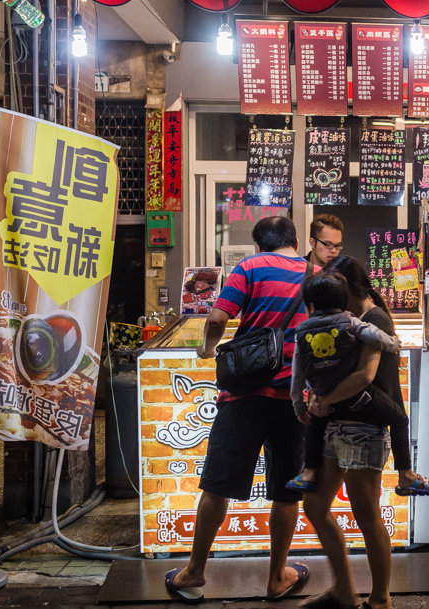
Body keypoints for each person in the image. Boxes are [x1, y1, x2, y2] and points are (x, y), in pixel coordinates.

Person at [165, 217, 312, 602]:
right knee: (286, 491)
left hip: (244, 393)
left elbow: (217, 317)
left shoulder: (248, 268)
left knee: (218, 485)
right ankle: (278, 577)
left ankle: (195, 571)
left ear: (258, 244)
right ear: (296, 240)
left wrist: (207, 348)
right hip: (294, 397)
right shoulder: (316, 273)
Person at [301, 256, 428, 609]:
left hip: (364, 428)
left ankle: (381, 598)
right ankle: (344, 589)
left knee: (366, 513)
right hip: (334, 423)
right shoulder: (345, 319)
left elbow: (364, 377)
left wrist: (320, 398)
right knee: (314, 505)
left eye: (336, 285)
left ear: (349, 285)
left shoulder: (374, 319)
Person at [286, 271, 429, 497]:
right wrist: (394, 343)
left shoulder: (302, 331)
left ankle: (308, 472)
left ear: (310, 305)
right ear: (343, 301)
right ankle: (406, 474)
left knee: (314, 423)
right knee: (399, 419)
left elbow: (297, 373)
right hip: (356, 396)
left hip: (320, 394)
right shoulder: (349, 321)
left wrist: (299, 404)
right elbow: (375, 336)